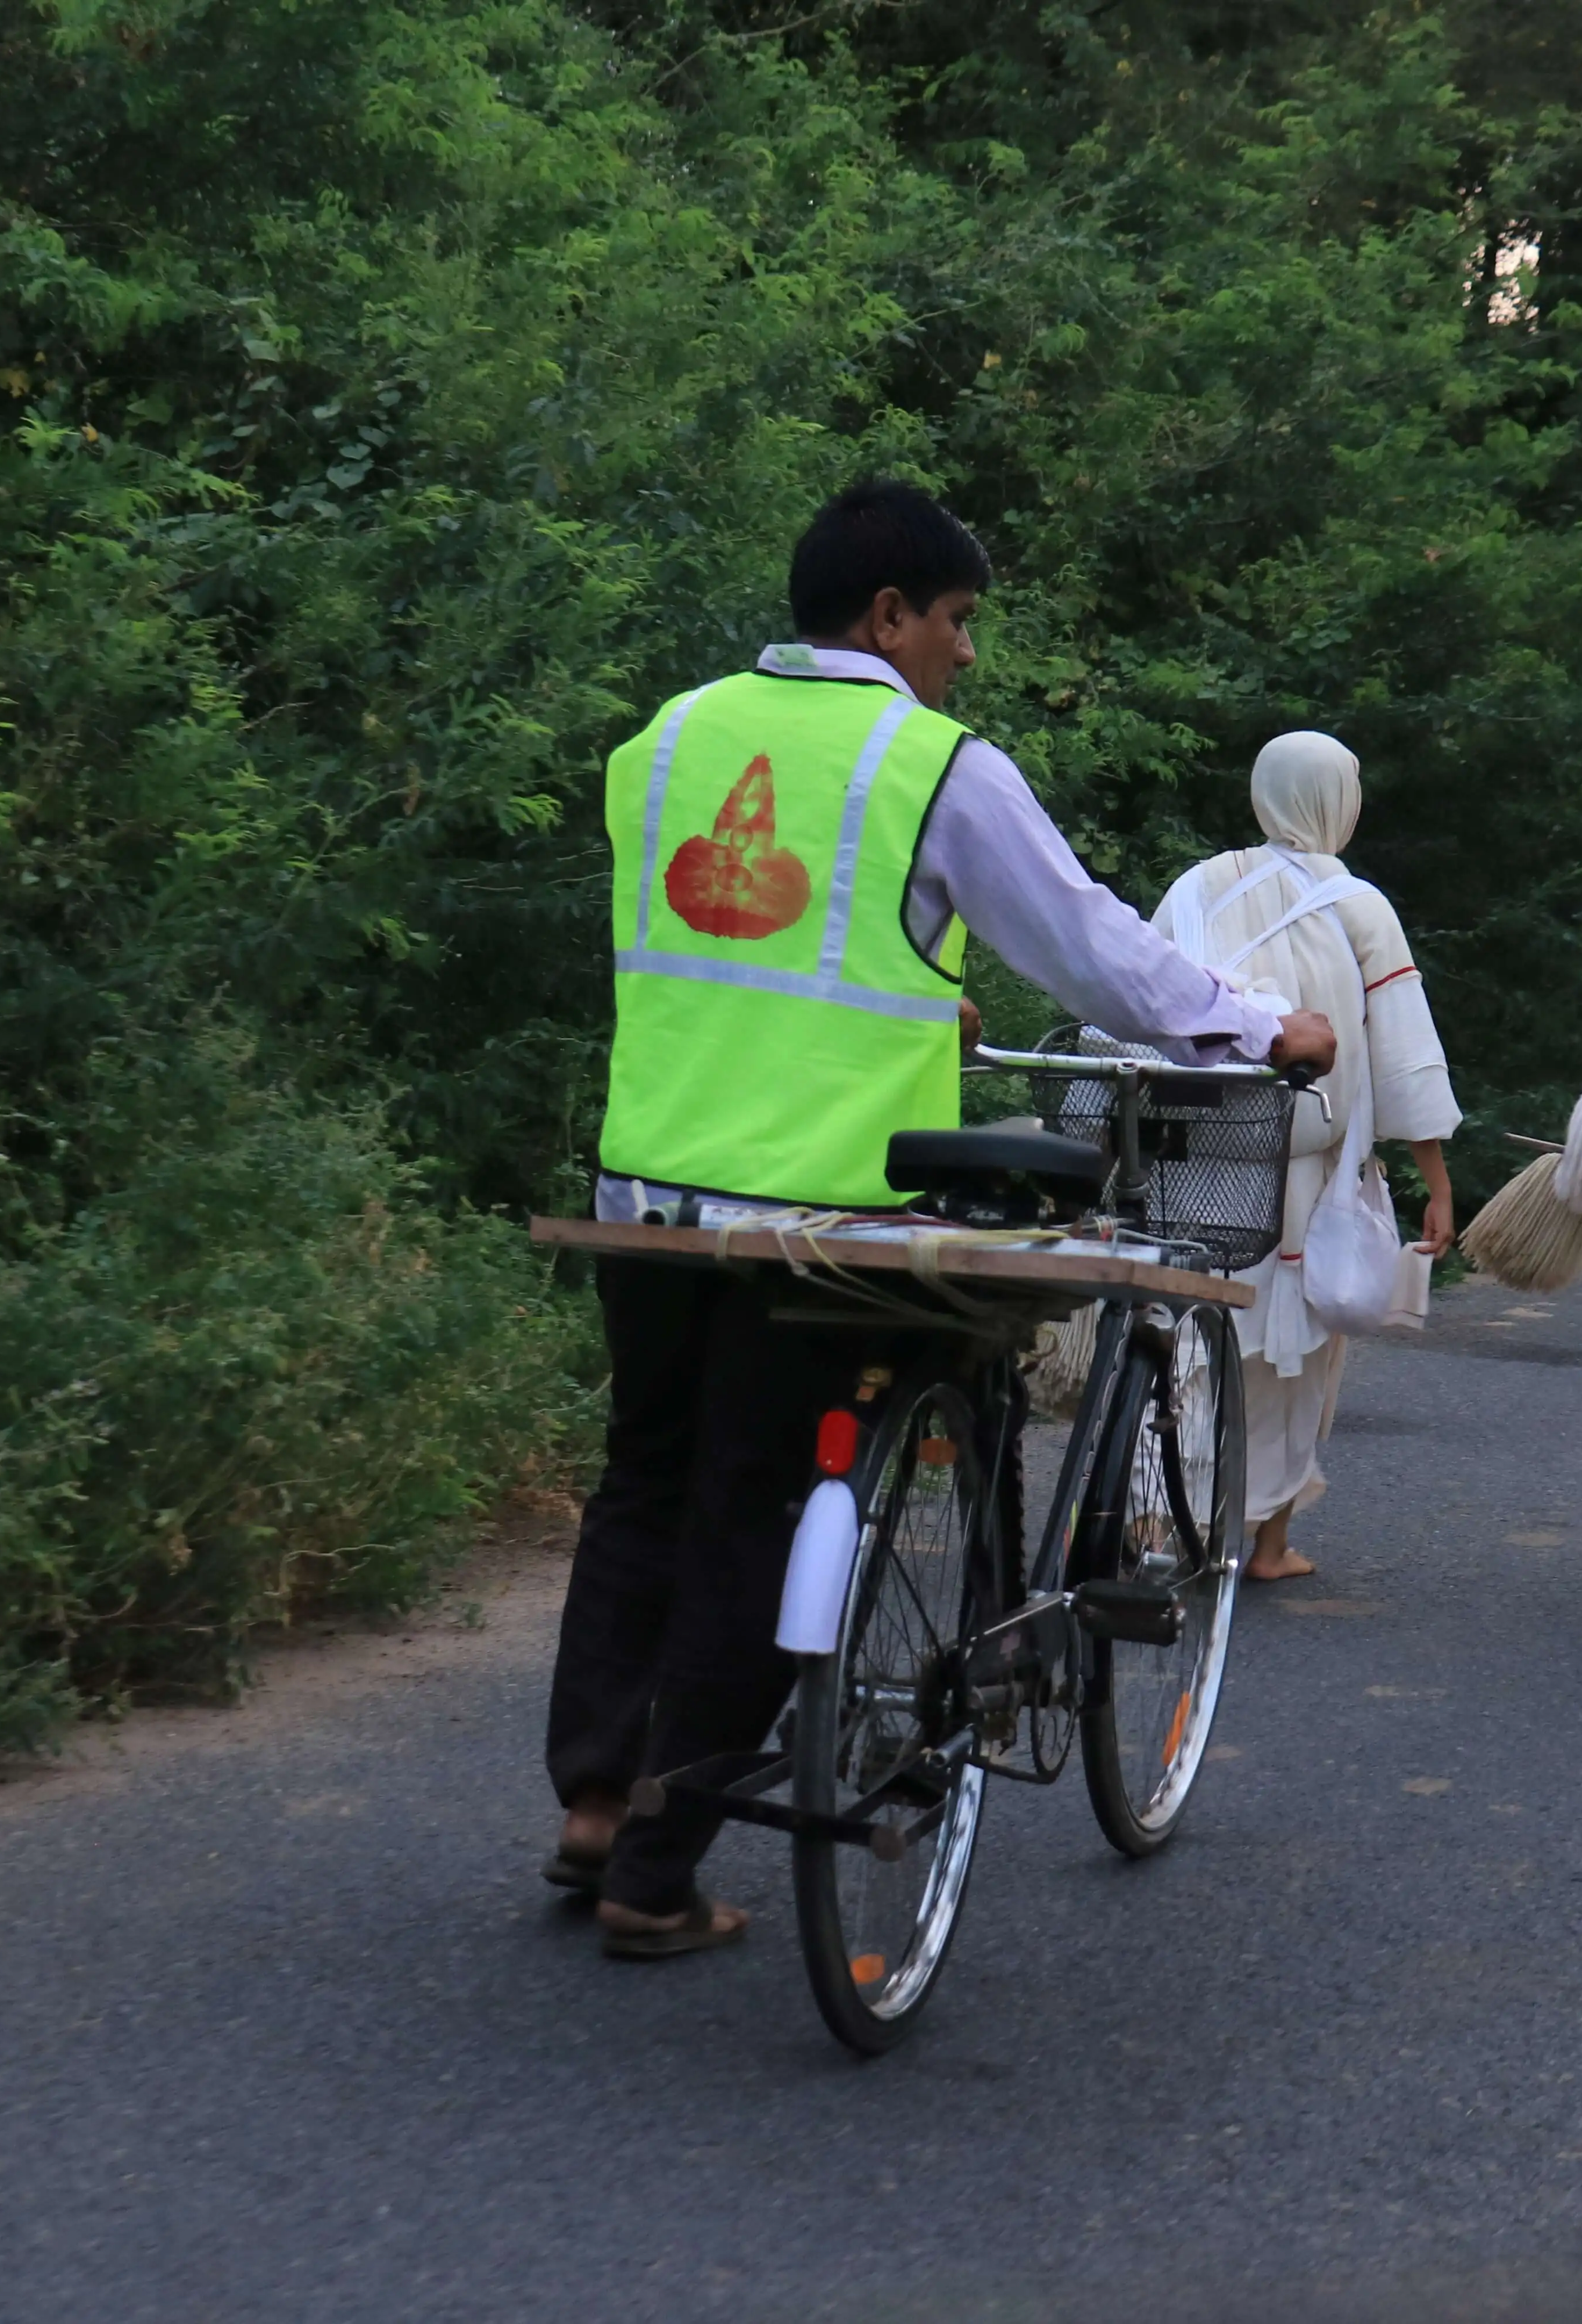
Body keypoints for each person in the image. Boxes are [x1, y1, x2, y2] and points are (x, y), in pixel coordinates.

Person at [544, 479, 1343, 1957]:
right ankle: (655, 1870)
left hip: (648, 1190)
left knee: (646, 1481)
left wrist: (922, 974)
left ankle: (596, 1793)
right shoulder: (930, 766)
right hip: (828, 1214)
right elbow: (1097, 947)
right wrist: (1252, 1029)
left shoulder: (661, 741)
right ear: (889, 614)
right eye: (957, 620)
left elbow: (733, 944)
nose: (965, 653)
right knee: (750, 1504)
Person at [1150, 731, 1462, 1583]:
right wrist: (1435, 1181)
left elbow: (1144, 1007)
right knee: (1295, 1355)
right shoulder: (1357, 906)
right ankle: (1270, 1543)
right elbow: (1402, 1056)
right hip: (1305, 1173)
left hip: (1194, 1159)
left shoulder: (1195, 887)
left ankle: (1161, 1521)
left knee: (1184, 1341)